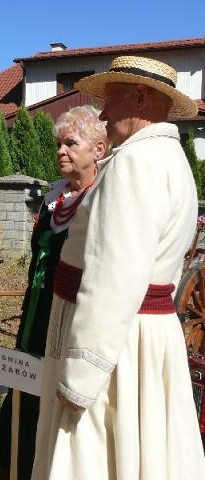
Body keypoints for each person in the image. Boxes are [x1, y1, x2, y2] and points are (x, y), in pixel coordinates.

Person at [32, 56, 205, 479]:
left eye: (109, 103)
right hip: (141, 337)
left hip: (118, 348)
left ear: (141, 98)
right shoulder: (170, 157)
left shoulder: (133, 163)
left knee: (95, 457)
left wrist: (80, 376)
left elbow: (113, 278)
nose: (103, 114)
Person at [0, 106, 107, 480]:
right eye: (59, 143)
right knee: (27, 377)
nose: (61, 151)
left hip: (69, 316)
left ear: (99, 150)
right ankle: (17, 462)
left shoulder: (101, 200)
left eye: (71, 143)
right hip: (36, 308)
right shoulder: (53, 196)